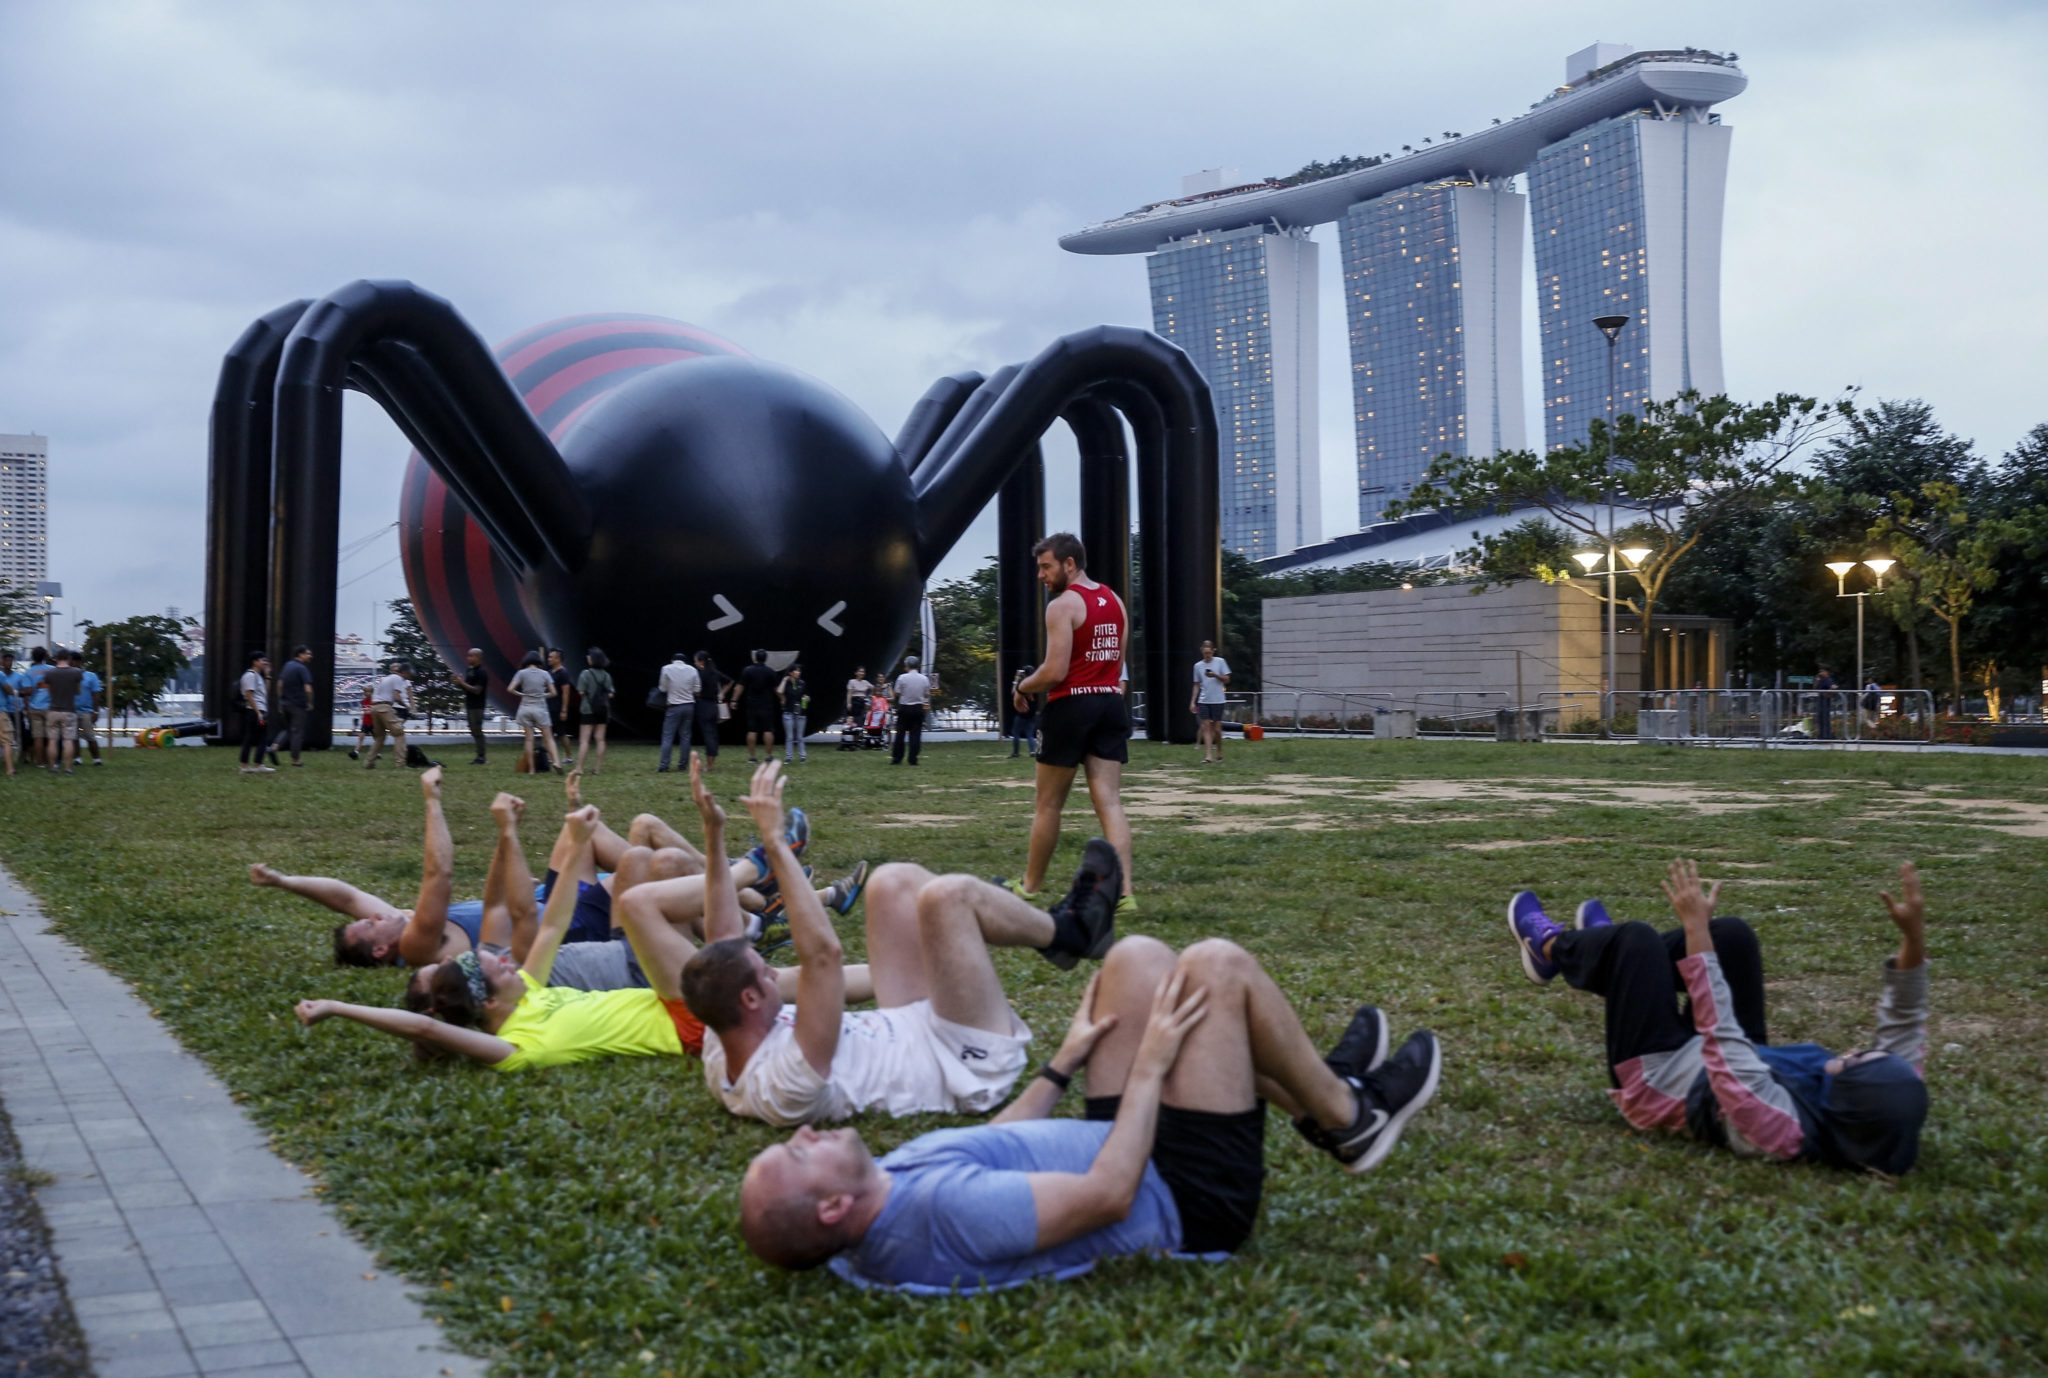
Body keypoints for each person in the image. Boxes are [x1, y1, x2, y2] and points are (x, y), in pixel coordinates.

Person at [738, 934, 1444, 1285]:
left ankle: (1326, 1087)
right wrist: (1151, 1065)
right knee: (1216, 966)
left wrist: (1065, 1060)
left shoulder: (880, 1191)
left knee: (1132, 959)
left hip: (1124, 1142)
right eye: (799, 1153)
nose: (803, 1133)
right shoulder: (939, 1217)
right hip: (1185, 1194)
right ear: (832, 1209)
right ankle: (1349, 1115)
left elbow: (988, 1143)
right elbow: (1108, 1197)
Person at [680, 763, 1120, 1128]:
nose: (776, 973)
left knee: (892, 882)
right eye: (765, 973)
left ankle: (1046, 931)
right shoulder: (784, 1083)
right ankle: (1070, 933)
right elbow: (822, 957)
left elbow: (722, 941)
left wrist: (713, 831)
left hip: (911, 1020)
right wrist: (776, 845)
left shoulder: (725, 1041)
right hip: (967, 1060)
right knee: (949, 897)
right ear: (751, 997)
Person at [1505, 859, 1930, 1174]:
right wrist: (1914, 937)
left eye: (1856, 1060)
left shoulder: (1778, 1126)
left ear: (1852, 1098)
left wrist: (1694, 931)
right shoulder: (1880, 1103)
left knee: (1638, 940)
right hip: (1732, 1058)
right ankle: (1609, 956)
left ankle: (1551, 949)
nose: (1856, 1050)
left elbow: (1721, 1035)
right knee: (1734, 937)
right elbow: (1904, 1021)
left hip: (1659, 1076)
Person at [292, 793, 707, 1071]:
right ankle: (747, 882)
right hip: (672, 1000)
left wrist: (519, 834)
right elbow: (427, 1028)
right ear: (483, 997)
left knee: (637, 863)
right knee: (652, 882)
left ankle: (747, 887)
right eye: (444, 972)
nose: (450, 961)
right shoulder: (517, 1040)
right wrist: (337, 1007)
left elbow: (542, 919)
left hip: (646, 978)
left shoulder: (525, 983)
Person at [1008, 533, 1134, 914]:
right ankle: (1125, 892)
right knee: (1109, 803)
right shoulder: (1114, 600)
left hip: (1071, 707)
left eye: (1046, 567)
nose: (1041, 576)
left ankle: (1029, 886)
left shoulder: (1063, 606)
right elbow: (1117, 663)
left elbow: (1054, 671)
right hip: (1111, 703)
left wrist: (1022, 686)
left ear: (1069, 563)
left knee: (1047, 805)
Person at [265, 644, 314, 767]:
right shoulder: (302, 668)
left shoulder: (287, 666)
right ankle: (295, 760)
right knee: (297, 732)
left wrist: (281, 700)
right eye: (308, 654)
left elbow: (280, 684)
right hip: (298, 705)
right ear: (300, 655)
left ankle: (273, 748)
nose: (310, 656)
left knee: (287, 729)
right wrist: (309, 702)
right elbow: (308, 689)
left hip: (285, 703)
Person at [508, 652, 555, 773]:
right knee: (548, 737)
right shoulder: (545, 674)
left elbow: (510, 689)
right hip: (540, 709)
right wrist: (543, 695)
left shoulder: (521, 673)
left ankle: (532, 769)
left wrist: (521, 694)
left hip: (525, 708)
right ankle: (556, 762)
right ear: (539, 661)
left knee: (529, 739)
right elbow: (554, 693)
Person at [364, 662, 414, 769]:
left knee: (379, 738)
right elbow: (396, 697)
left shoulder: (385, 678)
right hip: (384, 707)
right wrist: (407, 706)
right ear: (404, 672)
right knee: (399, 734)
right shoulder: (398, 679)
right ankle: (400, 764)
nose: (410, 676)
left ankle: (369, 763)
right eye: (409, 674)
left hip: (374, 708)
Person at [656, 650, 700, 773]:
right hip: (689, 705)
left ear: (672, 660)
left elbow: (662, 688)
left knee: (668, 736)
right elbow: (697, 689)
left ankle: (664, 765)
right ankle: (683, 765)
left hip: (673, 706)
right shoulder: (692, 669)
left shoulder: (666, 668)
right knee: (685, 737)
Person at [1189, 640, 1232, 765]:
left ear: (1213, 651)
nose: (1207, 655)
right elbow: (1196, 684)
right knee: (1206, 727)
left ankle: (1219, 751)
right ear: (1202, 651)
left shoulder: (1220, 662)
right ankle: (1208, 755)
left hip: (1218, 700)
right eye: (1205, 653)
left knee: (1217, 729)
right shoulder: (1197, 666)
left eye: (1209, 653)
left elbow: (1227, 679)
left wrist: (1215, 675)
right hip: (1204, 700)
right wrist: (1193, 701)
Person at [734, 649, 780, 764]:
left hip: (752, 704)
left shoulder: (748, 670)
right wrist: (783, 699)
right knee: (768, 730)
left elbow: (740, 687)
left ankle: (752, 757)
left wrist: (734, 700)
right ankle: (769, 756)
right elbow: (776, 689)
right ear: (766, 658)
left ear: (755, 658)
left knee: (752, 730)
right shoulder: (770, 671)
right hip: (767, 704)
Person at [575, 647, 615, 775]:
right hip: (603, 710)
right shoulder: (606, 675)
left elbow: (580, 692)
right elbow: (611, 694)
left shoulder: (585, 674)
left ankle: (579, 768)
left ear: (592, 659)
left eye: (589, 656)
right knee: (600, 739)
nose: (587, 657)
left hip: (588, 709)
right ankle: (597, 768)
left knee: (585, 740)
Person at [237, 650, 274, 774]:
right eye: (262, 660)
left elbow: (264, 694)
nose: (265, 663)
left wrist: (268, 675)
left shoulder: (258, 676)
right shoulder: (250, 675)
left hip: (260, 710)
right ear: (255, 662)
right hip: (254, 711)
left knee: (262, 738)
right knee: (250, 738)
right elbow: (249, 695)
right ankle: (244, 766)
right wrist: (258, 712)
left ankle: (258, 764)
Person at [890, 656, 930, 766]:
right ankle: (913, 759)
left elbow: (897, 693)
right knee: (915, 734)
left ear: (907, 665)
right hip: (918, 708)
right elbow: (926, 694)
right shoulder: (924, 679)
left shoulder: (902, 677)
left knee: (900, 734)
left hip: (905, 707)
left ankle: (897, 758)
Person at [454, 647, 490, 765]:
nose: (468, 658)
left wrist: (462, 683)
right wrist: (458, 683)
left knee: (477, 730)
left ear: (478, 657)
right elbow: (467, 689)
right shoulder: (469, 671)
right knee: (473, 730)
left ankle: (481, 757)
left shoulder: (482, 672)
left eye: (471, 656)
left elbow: (477, 690)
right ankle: (479, 755)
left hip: (478, 706)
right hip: (469, 704)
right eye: (468, 655)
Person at [693, 652, 726, 771]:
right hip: (714, 706)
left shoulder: (700, 674)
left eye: (696, 660)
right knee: (713, 734)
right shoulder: (715, 673)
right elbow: (730, 681)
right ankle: (712, 762)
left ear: (701, 661)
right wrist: (722, 693)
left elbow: (696, 691)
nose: (695, 663)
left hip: (703, 705)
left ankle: (709, 765)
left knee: (708, 735)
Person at [73, 655, 105, 767]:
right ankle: (77, 758)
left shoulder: (91, 676)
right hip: (71, 711)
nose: (72, 664)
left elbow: (96, 694)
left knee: (90, 736)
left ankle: (96, 759)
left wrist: (95, 711)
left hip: (87, 711)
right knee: (74, 737)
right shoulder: (68, 676)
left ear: (79, 662)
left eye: (74, 662)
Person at [22, 646, 51, 768]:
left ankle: (40, 763)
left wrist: (27, 708)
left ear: (33, 657)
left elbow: (27, 692)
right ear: (45, 656)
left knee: (38, 737)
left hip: (34, 708)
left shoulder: (28, 673)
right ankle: (51, 761)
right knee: (50, 737)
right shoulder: (52, 670)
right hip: (50, 707)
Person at [780, 662, 809, 764]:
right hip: (788, 712)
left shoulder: (802, 683)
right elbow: (779, 691)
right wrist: (784, 680)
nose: (798, 672)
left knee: (800, 736)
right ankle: (789, 757)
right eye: (796, 670)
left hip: (800, 712)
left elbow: (805, 695)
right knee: (790, 736)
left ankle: (802, 756)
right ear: (791, 672)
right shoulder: (786, 683)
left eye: (799, 670)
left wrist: (806, 699)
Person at [1008, 665, 1038, 760]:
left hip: (1023, 710)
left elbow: (1014, 692)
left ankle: (1016, 752)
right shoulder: (1036, 681)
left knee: (1016, 732)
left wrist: (1016, 679)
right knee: (1029, 733)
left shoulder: (1024, 684)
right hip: (1032, 711)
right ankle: (1032, 751)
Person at [0, 651, 22, 778]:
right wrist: (14, 691)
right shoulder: (1, 674)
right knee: (7, 740)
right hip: (1, 712)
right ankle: (9, 770)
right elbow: (9, 691)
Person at [347, 671, 379, 760]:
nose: (366, 693)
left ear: (372, 692)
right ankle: (356, 752)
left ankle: (377, 753)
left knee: (376, 739)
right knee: (361, 737)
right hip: (365, 722)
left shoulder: (374, 701)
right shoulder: (363, 701)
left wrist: (369, 711)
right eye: (365, 692)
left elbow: (373, 711)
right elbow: (365, 711)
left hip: (373, 722)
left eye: (368, 692)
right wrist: (367, 711)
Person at [1813, 665, 1836, 741]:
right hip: (1820, 701)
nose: (1820, 673)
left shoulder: (1828, 680)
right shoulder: (1820, 680)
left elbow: (1833, 688)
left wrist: (1828, 693)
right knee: (1820, 718)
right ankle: (1821, 735)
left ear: (1826, 672)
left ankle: (1827, 735)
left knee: (1825, 718)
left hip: (1825, 701)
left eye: (1822, 671)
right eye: (1820, 671)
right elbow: (1815, 687)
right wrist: (1817, 680)